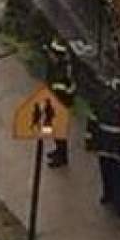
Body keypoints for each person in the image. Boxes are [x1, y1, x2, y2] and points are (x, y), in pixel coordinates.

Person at [87, 77, 120, 205]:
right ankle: (108, 195)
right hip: (106, 144)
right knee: (107, 172)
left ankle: (117, 200)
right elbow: (93, 121)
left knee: (119, 175)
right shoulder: (102, 101)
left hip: (117, 145)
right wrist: (90, 140)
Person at [45, 37, 77, 167]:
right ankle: (58, 151)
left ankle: (62, 158)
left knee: (59, 131)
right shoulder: (58, 66)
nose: (49, 55)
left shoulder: (61, 72)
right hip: (58, 102)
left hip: (60, 104)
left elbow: (63, 91)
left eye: (52, 53)